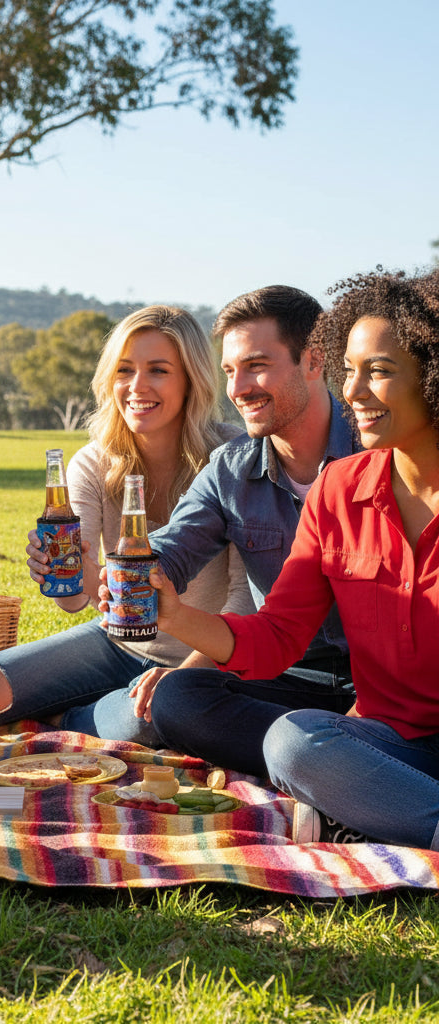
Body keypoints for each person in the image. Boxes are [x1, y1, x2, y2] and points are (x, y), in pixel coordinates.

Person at [139, 268, 439, 849]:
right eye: (350, 371)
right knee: (292, 742)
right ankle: (380, 805)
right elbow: (277, 636)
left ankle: (366, 809)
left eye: (378, 371)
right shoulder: (339, 490)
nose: (353, 392)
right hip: (384, 741)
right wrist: (171, 615)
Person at [0, 305, 252, 740]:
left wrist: (185, 673)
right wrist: (62, 569)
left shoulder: (233, 457)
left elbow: (245, 598)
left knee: (152, 713)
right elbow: (72, 601)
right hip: (117, 642)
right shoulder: (93, 461)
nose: (137, 386)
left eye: (158, 370)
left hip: (206, 655)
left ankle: (66, 717)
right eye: (124, 370)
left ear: (191, 380)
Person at [143, 285, 361, 777]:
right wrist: (129, 569)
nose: (238, 388)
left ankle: (328, 757)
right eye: (229, 371)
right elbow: (172, 553)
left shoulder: (375, 456)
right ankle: (333, 757)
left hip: (383, 678)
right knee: (178, 697)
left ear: (313, 361)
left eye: (256, 365)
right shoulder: (230, 469)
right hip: (283, 670)